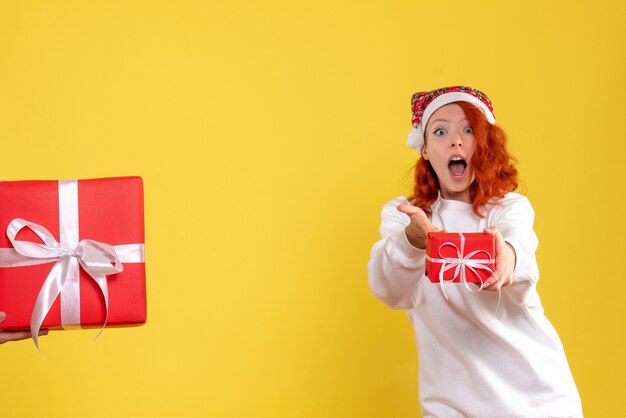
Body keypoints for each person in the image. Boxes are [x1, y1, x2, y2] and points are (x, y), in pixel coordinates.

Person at [368, 86, 583, 417]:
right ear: (424, 149)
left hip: (537, 400)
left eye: (468, 130)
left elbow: (518, 243)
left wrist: (507, 258)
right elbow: (389, 290)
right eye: (440, 131)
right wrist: (414, 238)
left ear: (482, 143)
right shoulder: (405, 214)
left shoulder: (507, 208)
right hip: (451, 405)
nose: (456, 141)